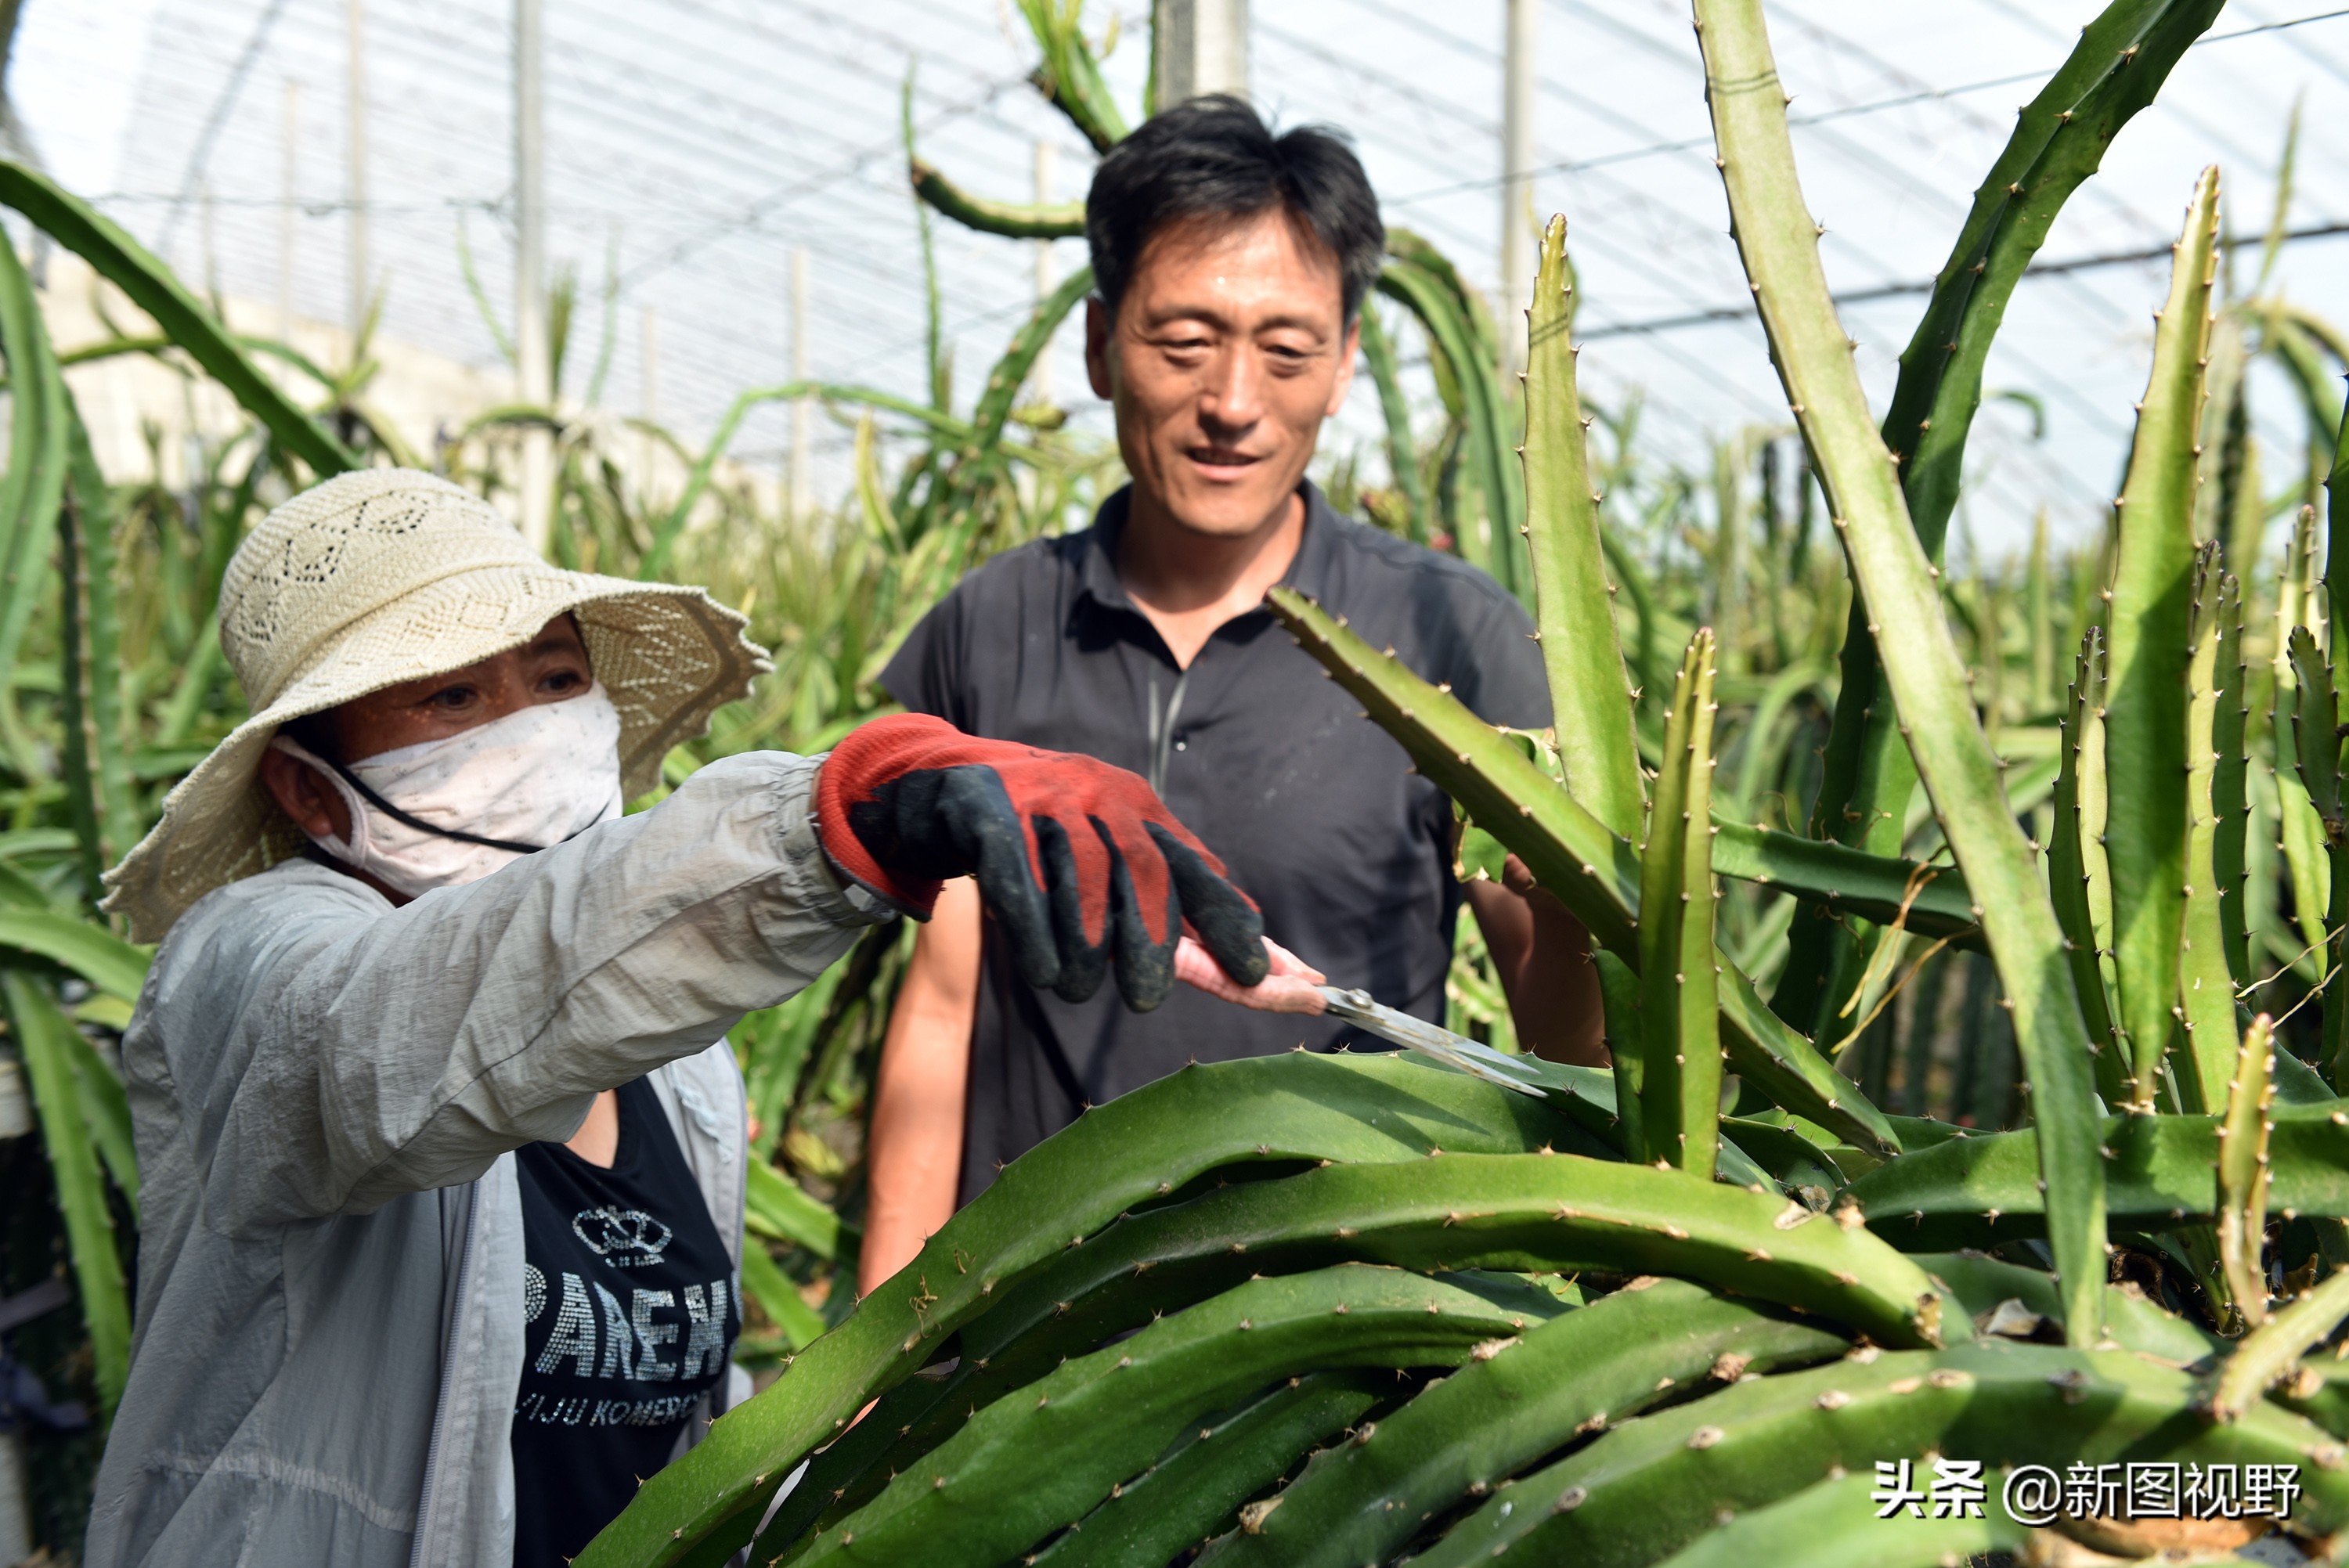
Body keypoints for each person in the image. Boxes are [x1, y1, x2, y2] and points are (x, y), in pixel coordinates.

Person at [82, 469, 1276, 1568]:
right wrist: (828, 822)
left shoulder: (682, 1066)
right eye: (455, 695)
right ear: (308, 790)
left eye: (556, 679)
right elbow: (401, 1034)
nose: (529, 724)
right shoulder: (250, 965)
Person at [861, 96, 1606, 1298]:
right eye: (1184, 339)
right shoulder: (990, 625)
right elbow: (942, 1011)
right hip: (1015, 1336)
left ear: (1347, 361)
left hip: (1339, 1345)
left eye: (1287, 348)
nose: (1234, 402)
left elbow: (1565, 1045)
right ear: (1102, 343)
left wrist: (1589, 917)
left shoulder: (1449, 637)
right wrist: (874, 1359)